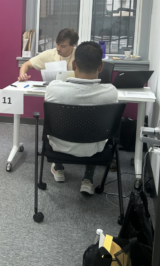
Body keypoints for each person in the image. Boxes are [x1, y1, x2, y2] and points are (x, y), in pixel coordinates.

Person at [44, 41, 118, 196]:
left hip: (59, 147)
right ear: (100, 67)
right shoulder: (111, 93)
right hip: (94, 149)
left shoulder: (54, 89)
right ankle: (88, 178)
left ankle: (58, 168)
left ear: (73, 65)